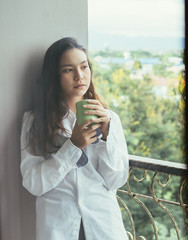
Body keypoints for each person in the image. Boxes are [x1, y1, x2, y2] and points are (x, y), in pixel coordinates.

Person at [20, 37, 129, 240]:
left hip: (103, 226)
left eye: (84, 67)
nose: (80, 76)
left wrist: (106, 137)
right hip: (59, 228)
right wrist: (73, 146)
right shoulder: (35, 121)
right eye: (68, 70)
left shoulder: (109, 118)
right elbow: (33, 183)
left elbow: (116, 180)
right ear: (55, 76)